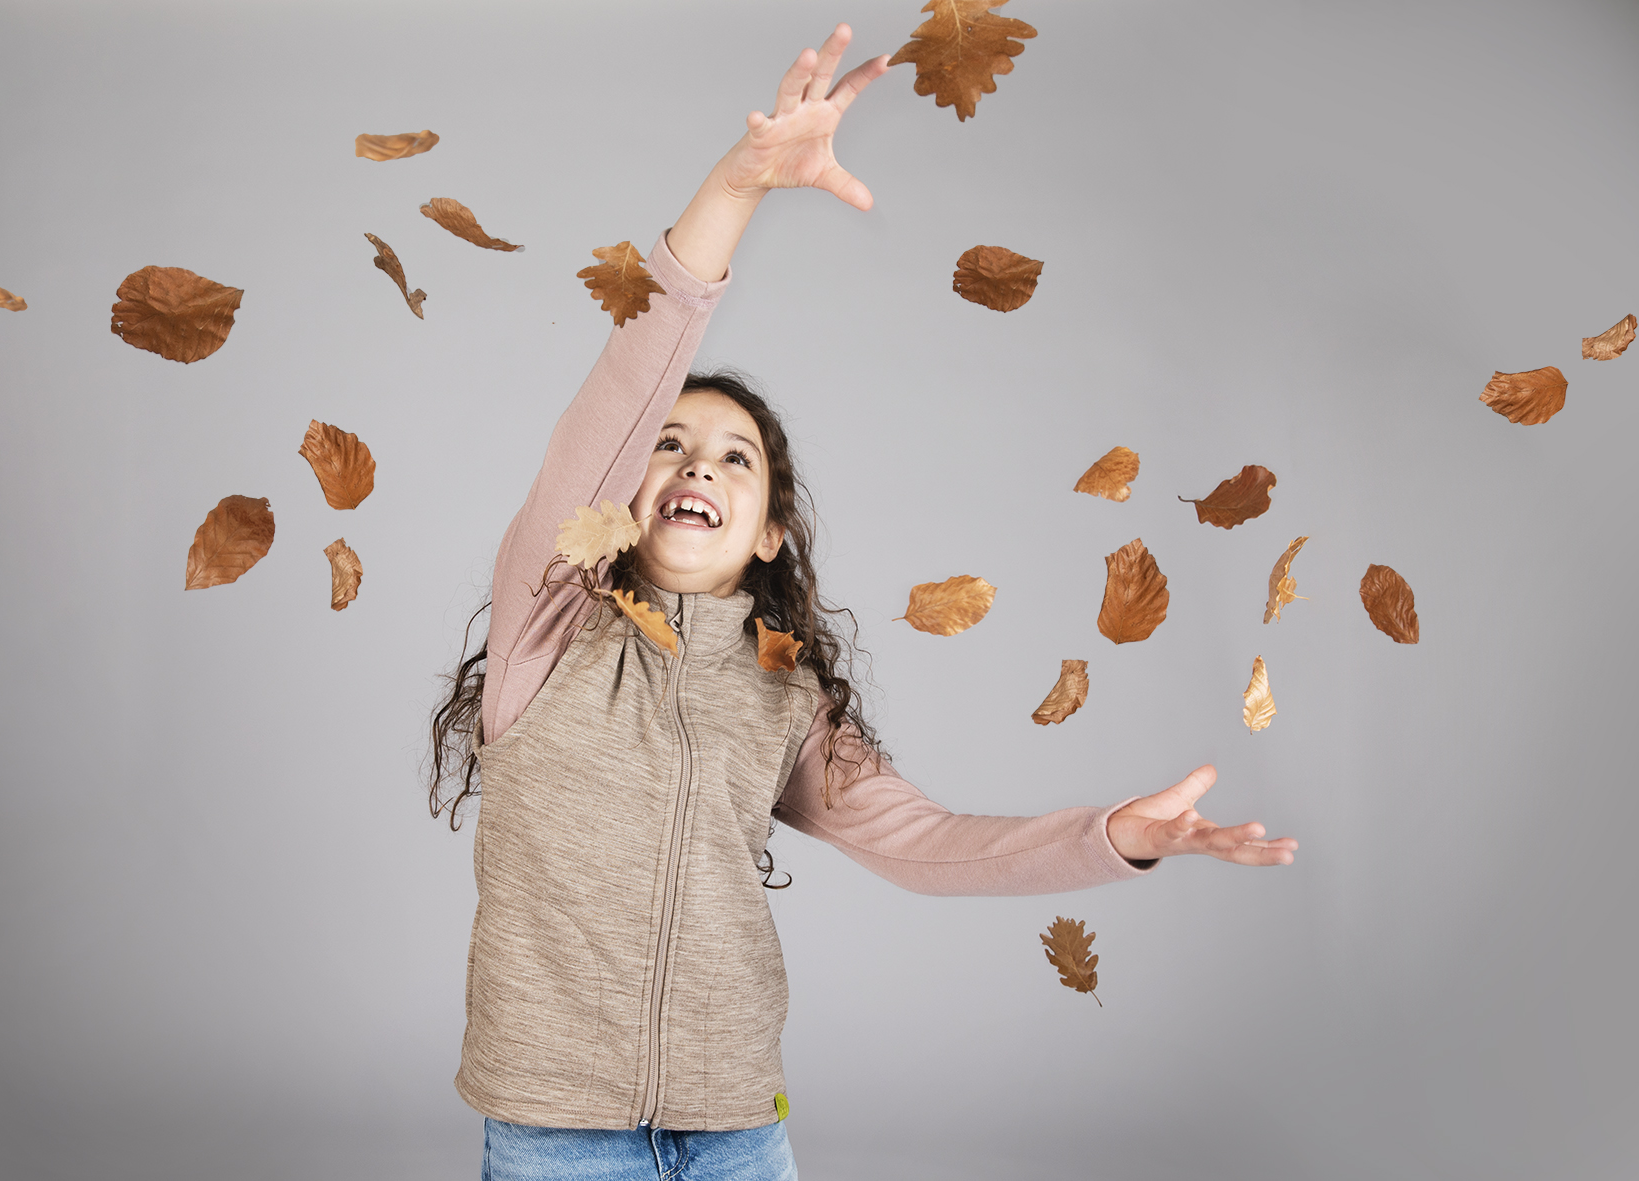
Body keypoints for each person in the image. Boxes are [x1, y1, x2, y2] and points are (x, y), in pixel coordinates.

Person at [428, 23, 1297, 1181]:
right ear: (625, 491)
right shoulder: (549, 623)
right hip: (554, 1134)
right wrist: (736, 185)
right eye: (670, 447)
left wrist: (1111, 840)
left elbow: (928, 843)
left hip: (740, 1125)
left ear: (771, 527)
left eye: (736, 460)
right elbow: (619, 391)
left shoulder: (782, 687)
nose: (696, 466)